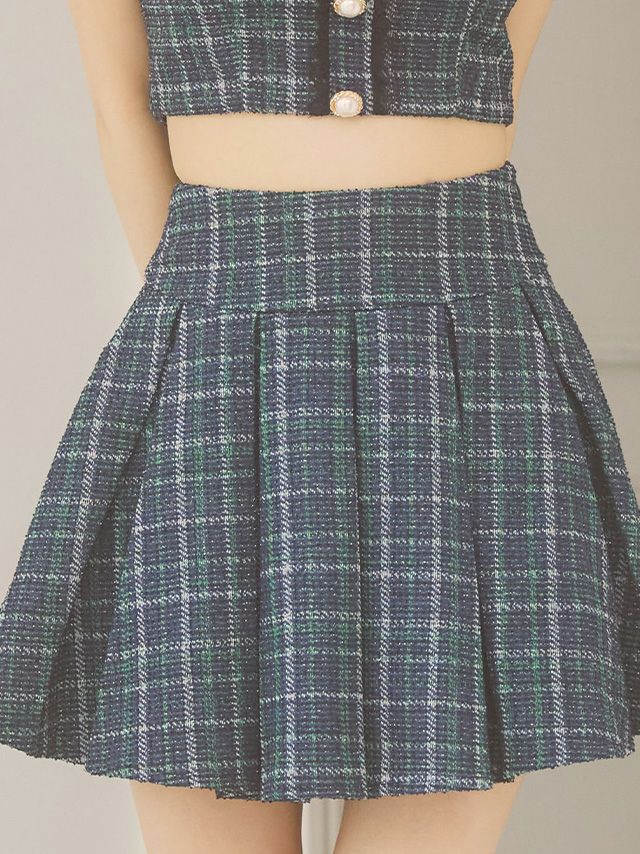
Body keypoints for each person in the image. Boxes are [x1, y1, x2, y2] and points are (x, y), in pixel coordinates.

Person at [0, 1, 638, 852]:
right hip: (218, 334)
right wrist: (221, 292)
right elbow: (121, 106)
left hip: (471, 340)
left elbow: (494, 85)